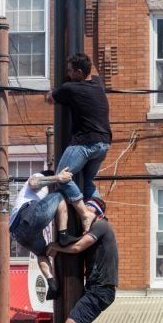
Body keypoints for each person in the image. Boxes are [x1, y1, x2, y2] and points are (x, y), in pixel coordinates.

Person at [45, 52, 112, 235]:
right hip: (104, 143)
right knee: (88, 181)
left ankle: (84, 214)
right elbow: (94, 74)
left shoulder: (71, 89)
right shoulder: (98, 83)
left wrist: (55, 91)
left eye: (70, 71)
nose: (67, 74)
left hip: (85, 143)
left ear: (79, 72)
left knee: (62, 176)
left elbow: (50, 99)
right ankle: (95, 212)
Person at [46, 198, 118, 323]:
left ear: (98, 214)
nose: (83, 214)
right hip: (96, 288)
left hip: (100, 289)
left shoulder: (101, 225)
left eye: (87, 210)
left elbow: (78, 247)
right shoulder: (96, 229)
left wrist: (56, 246)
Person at [9, 167, 72, 300]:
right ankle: (64, 237)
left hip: (18, 233)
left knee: (41, 253)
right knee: (59, 196)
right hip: (26, 217)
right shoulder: (38, 177)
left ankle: (52, 283)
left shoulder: (31, 197)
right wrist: (57, 178)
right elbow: (33, 182)